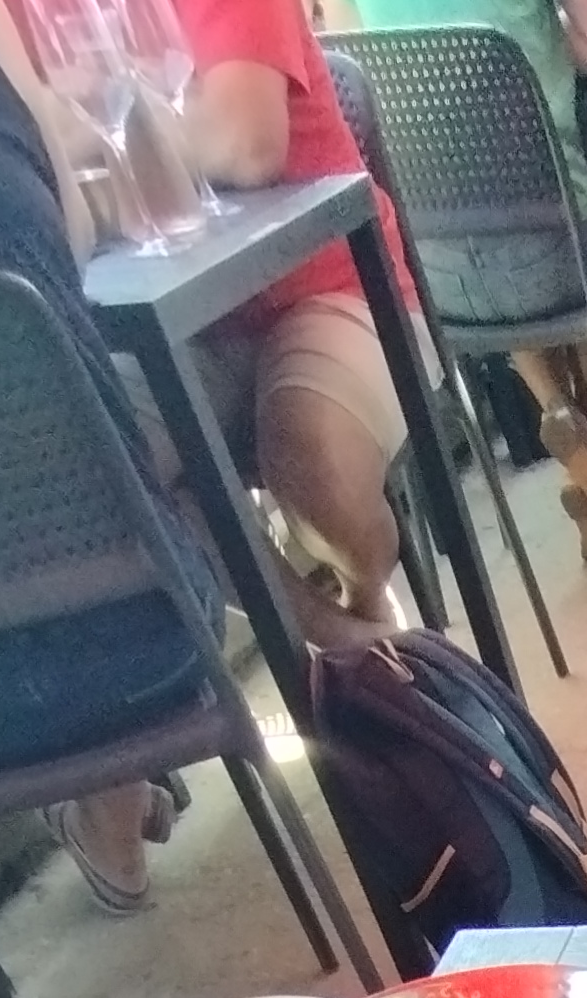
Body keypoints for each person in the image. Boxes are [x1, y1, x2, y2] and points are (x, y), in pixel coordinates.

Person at [0, 0, 222, 911]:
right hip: (147, 641)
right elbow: (65, 240)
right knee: (115, 440)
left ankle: (105, 818)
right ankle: (112, 801)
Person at [336, 0, 587, 561]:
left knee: (507, 277)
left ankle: (556, 411)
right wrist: (531, 47)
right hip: (552, 242)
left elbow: (348, 65)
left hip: (429, 266)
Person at [173, 0, 425, 646]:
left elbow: (247, 144)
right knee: (100, 466)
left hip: (337, 280)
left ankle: (366, 600)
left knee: (314, 462)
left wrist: (124, 133)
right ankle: (350, 647)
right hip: (184, 320)